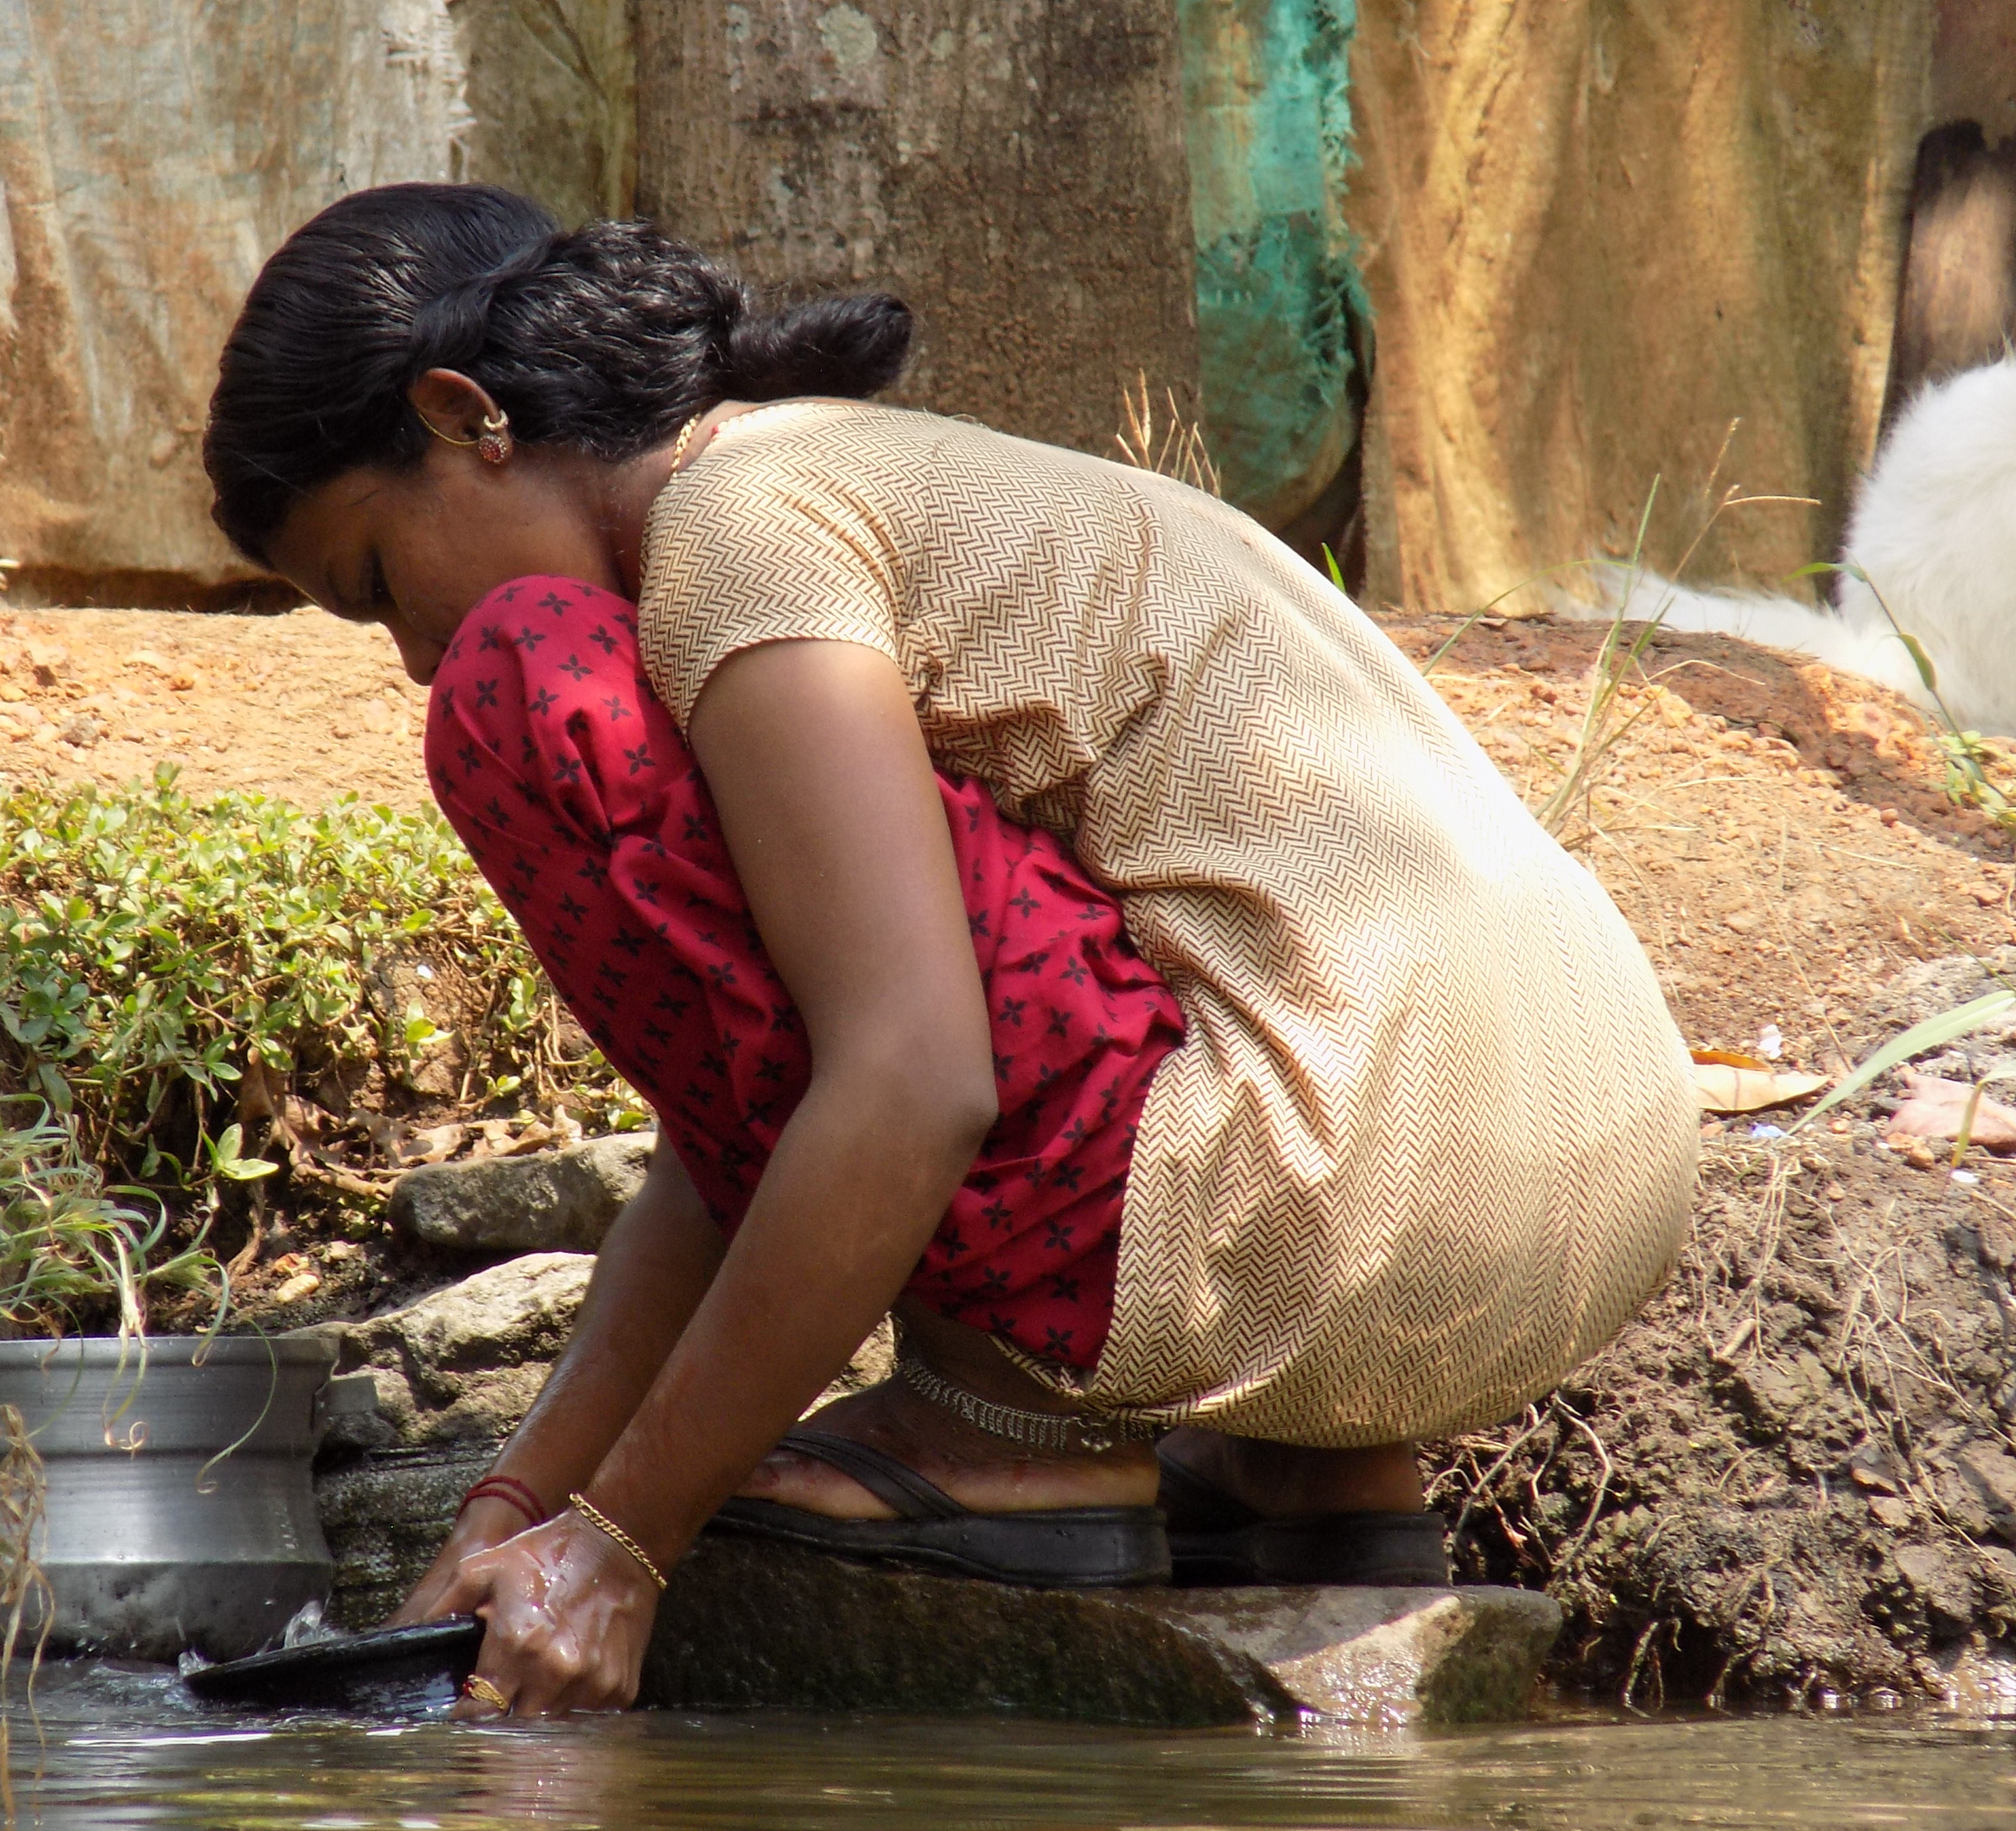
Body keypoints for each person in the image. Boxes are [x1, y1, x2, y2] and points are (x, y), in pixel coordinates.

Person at [202, 183, 1698, 1718]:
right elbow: (731, 1137)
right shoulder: (843, 468)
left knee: (532, 686)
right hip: (1571, 1192)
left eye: (379, 583)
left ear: (464, 417)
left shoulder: (740, 530)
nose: (414, 657)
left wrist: (619, 1549)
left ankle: (1006, 1431)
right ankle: (1313, 1465)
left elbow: (905, 1083)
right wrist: (515, 1506)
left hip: (1320, 1200)